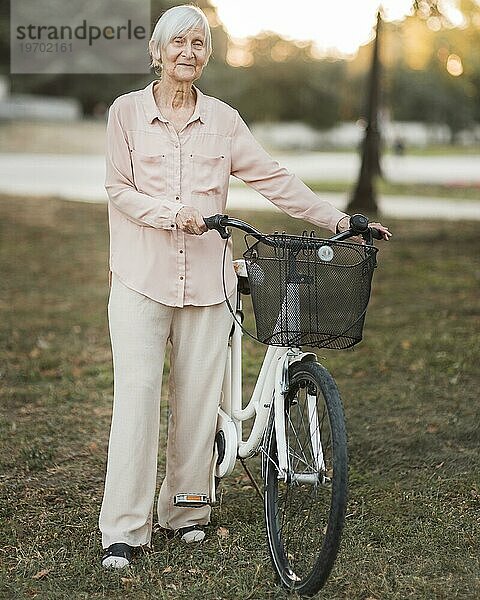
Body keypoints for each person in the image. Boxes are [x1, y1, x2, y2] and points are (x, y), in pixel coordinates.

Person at [99, 4, 391, 569]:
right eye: (177, 44)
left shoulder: (224, 122)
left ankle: (186, 511)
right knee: (135, 404)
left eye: (199, 44)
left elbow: (274, 179)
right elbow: (118, 189)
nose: (188, 52)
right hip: (140, 278)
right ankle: (124, 531)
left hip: (210, 282)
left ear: (207, 55)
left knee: (198, 405)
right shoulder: (125, 114)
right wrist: (170, 213)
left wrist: (340, 220)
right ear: (156, 53)